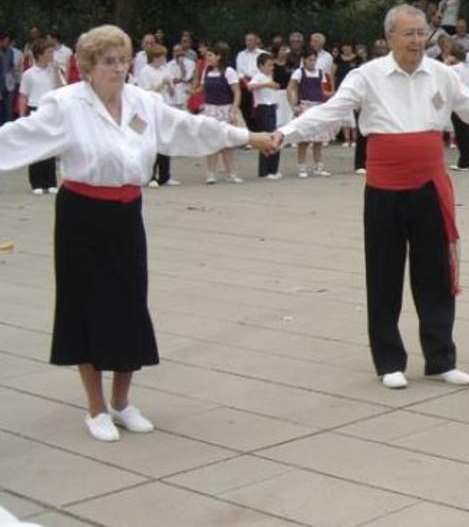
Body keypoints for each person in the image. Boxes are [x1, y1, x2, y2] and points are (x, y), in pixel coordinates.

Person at [0, 24, 276, 442]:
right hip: (81, 215)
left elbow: (191, 128)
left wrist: (248, 136)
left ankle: (122, 402)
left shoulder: (143, 102)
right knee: (85, 307)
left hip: (126, 213)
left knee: (129, 304)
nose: (118, 68)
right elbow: (17, 137)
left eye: (123, 60)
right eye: (108, 62)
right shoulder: (66, 105)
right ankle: (95, 409)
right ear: (87, 67)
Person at [270, 5, 469, 389]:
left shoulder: (442, 75)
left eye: (422, 33)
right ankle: (389, 361)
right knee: (384, 274)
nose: (418, 41)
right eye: (409, 34)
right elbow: (330, 112)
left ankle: (440, 359)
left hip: (429, 188)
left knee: (435, 274)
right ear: (389, 38)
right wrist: (284, 135)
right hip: (384, 189)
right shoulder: (366, 76)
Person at [18, 39, 66, 194]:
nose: (52, 55)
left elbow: (60, 89)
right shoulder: (29, 74)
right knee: (36, 145)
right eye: (49, 52)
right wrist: (21, 115)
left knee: (50, 145)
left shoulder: (54, 71)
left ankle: (50, 181)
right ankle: (37, 182)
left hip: (50, 109)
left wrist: (57, 72)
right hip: (35, 108)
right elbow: (23, 95)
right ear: (40, 54)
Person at [197, 42, 245, 184]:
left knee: (227, 142)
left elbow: (236, 91)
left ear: (219, 56)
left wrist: (233, 109)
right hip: (210, 109)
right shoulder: (206, 71)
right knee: (211, 141)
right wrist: (192, 92)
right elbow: (202, 88)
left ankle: (231, 173)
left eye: (211, 55)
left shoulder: (229, 71)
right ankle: (211, 173)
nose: (208, 58)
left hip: (225, 108)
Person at [288, 49, 335, 178]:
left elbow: (321, 90)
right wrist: (293, 105)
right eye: (310, 60)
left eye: (314, 60)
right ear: (304, 60)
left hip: (318, 106)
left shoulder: (320, 73)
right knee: (304, 139)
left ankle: (318, 166)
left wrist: (330, 95)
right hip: (305, 106)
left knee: (319, 139)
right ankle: (302, 167)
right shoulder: (299, 72)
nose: (312, 62)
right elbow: (290, 87)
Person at [133, 44, 176, 187]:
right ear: (155, 58)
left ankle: (165, 176)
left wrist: (170, 86)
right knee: (152, 143)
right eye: (162, 56)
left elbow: (172, 93)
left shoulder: (166, 69)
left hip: (165, 107)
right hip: (151, 110)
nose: (164, 59)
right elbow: (145, 93)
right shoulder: (145, 71)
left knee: (166, 141)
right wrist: (161, 84)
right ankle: (151, 176)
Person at [247, 53, 284, 179]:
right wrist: (266, 85)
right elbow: (250, 86)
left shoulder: (269, 76)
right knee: (267, 137)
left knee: (274, 135)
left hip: (271, 107)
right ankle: (265, 171)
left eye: (272, 65)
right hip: (262, 108)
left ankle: (273, 169)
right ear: (261, 66)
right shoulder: (258, 77)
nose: (271, 67)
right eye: (269, 65)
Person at [443, 43, 469, 171]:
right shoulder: (467, 68)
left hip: (457, 103)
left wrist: (446, 62)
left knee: (460, 132)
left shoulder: (453, 69)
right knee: (464, 131)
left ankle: (465, 161)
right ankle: (468, 159)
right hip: (468, 101)